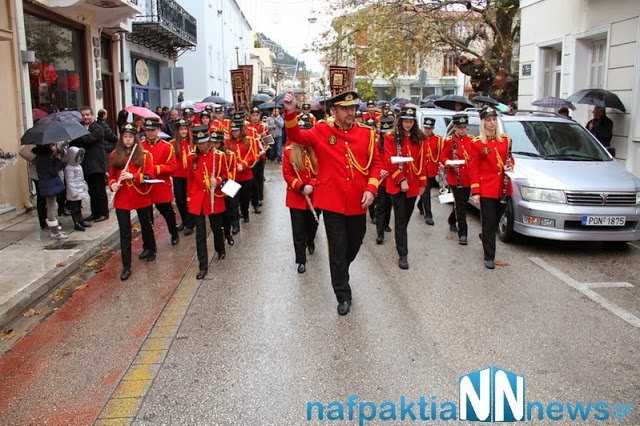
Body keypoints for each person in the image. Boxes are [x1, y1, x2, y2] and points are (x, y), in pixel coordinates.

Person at [282, 90, 382, 316]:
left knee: (354, 244)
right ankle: (342, 294)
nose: (350, 112)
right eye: (345, 109)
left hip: (359, 200)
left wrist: (371, 188)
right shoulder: (321, 131)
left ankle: (341, 270)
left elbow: (375, 164)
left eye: (353, 108)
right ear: (333, 111)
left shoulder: (366, 134)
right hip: (332, 201)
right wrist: (290, 112)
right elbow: (296, 136)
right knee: (337, 249)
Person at [108, 123, 156, 281]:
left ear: (135, 138)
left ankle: (151, 248)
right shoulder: (115, 155)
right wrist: (113, 184)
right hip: (122, 197)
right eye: (125, 137)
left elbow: (149, 176)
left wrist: (133, 177)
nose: (128, 140)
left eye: (130, 137)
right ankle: (126, 266)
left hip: (140, 194)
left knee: (146, 224)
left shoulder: (145, 155)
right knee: (124, 232)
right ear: (121, 138)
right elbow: (112, 176)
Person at [469, 106, 514, 270]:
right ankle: (489, 256)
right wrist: (476, 191)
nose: (492, 122)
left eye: (494, 119)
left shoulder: (506, 140)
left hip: (503, 187)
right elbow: (473, 168)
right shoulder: (478, 143)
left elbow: (510, 159)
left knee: (495, 220)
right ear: (483, 123)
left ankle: (485, 237)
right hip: (486, 187)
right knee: (488, 223)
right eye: (488, 120)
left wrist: (510, 166)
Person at [383, 106, 427, 269]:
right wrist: (401, 180)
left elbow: (422, 162)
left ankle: (400, 241)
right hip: (397, 183)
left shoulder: (419, 138)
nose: (408, 124)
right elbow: (389, 161)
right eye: (405, 121)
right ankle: (403, 254)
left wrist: (422, 183)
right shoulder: (391, 137)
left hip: (413, 183)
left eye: (411, 122)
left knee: (405, 219)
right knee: (401, 220)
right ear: (400, 121)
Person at [187, 129, 228, 280]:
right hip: (198, 197)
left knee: (216, 227)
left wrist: (217, 181)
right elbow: (190, 180)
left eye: (204, 142)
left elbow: (226, 176)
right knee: (200, 234)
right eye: (199, 143)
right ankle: (202, 265)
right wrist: (189, 199)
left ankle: (220, 248)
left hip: (213, 196)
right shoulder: (191, 157)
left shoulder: (219, 156)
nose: (202, 145)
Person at [282, 116, 321, 274]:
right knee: (298, 230)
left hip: (315, 195)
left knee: (313, 225)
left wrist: (311, 184)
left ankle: (311, 239)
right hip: (296, 197)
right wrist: (301, 186)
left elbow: (322, 171)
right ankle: (301, 259)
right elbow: (287, 174)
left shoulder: (316, 149)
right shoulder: (289, 151)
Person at [140, 117, 180, 246]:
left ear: (158, 130)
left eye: (153, 130)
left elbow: (173, 168)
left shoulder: (167, 146)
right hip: (144, 186)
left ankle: (174, 232)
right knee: (146, 218)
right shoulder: (140, 147)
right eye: (148, 130)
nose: (150, 133)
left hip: (161, 185)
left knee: (167, 212)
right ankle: (148, 244)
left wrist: (155, 169)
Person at [440, 113, 473, 245]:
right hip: (455, 177)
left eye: (464, 127)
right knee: (461, 205)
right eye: (460, 127)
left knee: (462, 202)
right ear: (454, 127)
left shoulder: (471, 140)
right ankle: (463, 233)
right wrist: (449, 162)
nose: (462, 130)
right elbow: (442, 157)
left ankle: (452, 219)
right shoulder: (449, 141)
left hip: (468, 177)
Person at [73, 106, 109, 222]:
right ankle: (95, 213)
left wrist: (78, 133)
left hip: (97, 164)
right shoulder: (82, 127)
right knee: (91, 191)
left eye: (87, 115)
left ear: (92, 115)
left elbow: (88, 139)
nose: (85, 117)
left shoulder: (97, 128)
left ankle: (103, 213)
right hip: (86, 164)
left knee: (99, 190)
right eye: (83, 115)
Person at [227, 112, 256, 233]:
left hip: (245, 175)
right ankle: (235, 225)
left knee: (244, 199)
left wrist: (243, 164)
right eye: (232, 130)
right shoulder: (227, 142)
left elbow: (253, 155)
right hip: (231, 176)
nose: (234, 133)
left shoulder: (249, 140)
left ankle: (245, 212)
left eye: (236, 130)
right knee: (232, 202)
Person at [33, 142, 69, 240]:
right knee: (52, 208)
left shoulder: (41, 157)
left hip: (47, 184)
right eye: (52, 145)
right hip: (49, 185)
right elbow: (53, 171)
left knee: (52, 206)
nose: (53, 146)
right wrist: (57, 161)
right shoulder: (45, 158)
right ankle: (54, 231)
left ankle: (54, 229)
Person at [171, 119, 194, 236]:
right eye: (181, 129)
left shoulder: (193, 142)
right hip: (178, 175)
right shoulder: (173, 144)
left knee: (189, 199)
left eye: (185, 129)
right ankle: (184, 221)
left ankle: (190, 224)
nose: (183, 131)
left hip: (190, 175)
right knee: (180, 200)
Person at [418, 117, 443, 225]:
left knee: (427, 190)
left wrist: (441, 165)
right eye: (426, 128)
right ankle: (428, 214)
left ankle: (420, 204)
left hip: (432, 169)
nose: (427, 130)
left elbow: (441, 153)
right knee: (426, 191)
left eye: (430, 128)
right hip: (421, 169)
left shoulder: (438, 139)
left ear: (433, 128)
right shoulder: (419, 138)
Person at [374, 117, 394, 244]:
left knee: (389, 204)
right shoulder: (376, 142)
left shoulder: (395, 141)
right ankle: (380, 233)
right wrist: (381, 170)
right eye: (383, 132)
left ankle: (386, 224)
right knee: (381, 205)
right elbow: (375, 159)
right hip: (381, 179)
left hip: (392, 178)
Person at [64, 146, 91, 231]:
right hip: (74, 192)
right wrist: (74, 192)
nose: (79, 158)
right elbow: (70, 182)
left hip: (79, 190)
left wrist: (83, 187)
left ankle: (80, 220)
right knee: (74, 209)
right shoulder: (69, 169)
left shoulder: (78, 166)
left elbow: (80, 179)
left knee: (79, 207)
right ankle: (76, 222)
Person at [246, 107, 267, 213]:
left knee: (259, 178)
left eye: (256, 115)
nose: (255, 117)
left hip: (261, 155)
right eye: (253, 115)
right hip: (250, 156)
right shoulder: (246, 127)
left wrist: (264, 137)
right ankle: (251, 197)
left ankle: (259, 198)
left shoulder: (263, 126)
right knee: (251, 178)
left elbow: (268, 142)